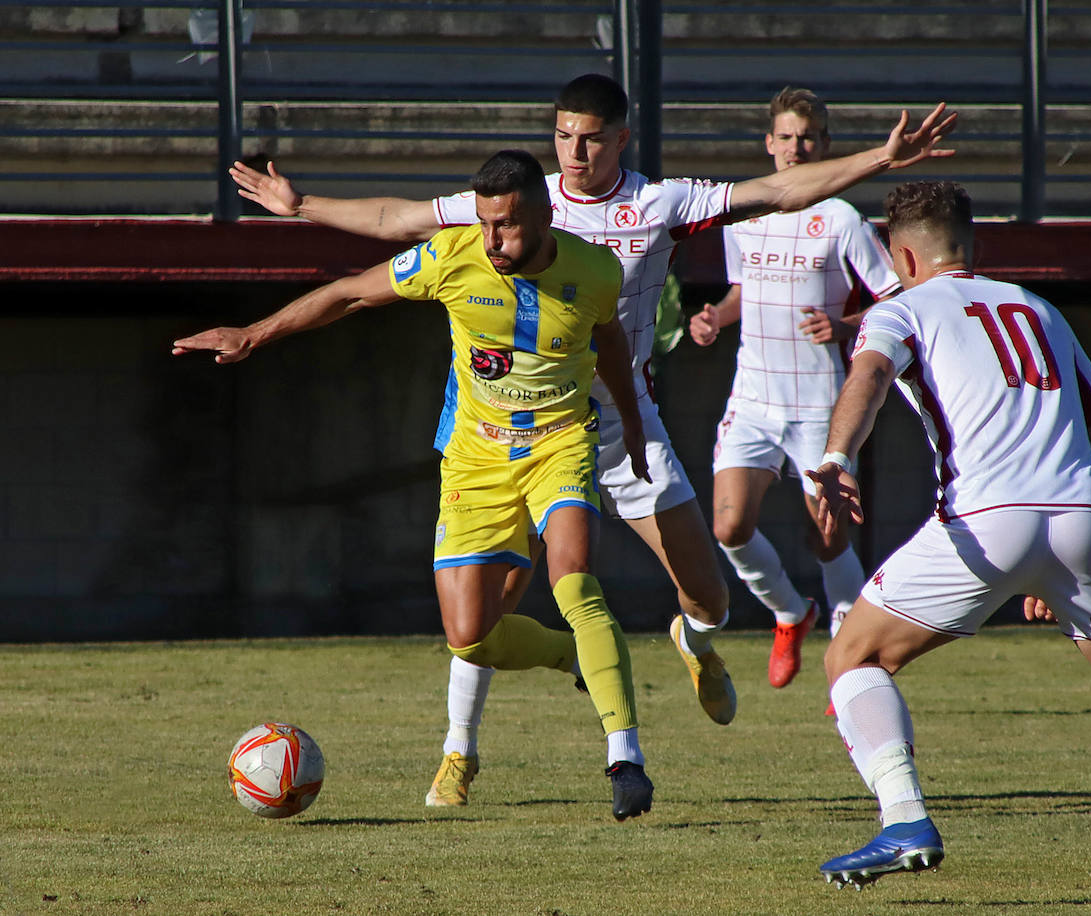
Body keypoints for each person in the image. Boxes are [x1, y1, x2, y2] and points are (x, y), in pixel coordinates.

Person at [228, 74, 956, 804]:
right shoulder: (519, 204)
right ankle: (458, 753)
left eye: (591, 138)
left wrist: (878, 160)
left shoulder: (657, 204)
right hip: (527, 430)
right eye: (563, 136)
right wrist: (302, 205)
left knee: (709, 599)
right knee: (492, 603)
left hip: (624, 426)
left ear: (621, 138)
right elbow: (399, 218)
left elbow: (774, 193)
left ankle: (692, 642)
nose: (575, 151)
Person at [805, 181, 1091, 903]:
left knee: (852, 655)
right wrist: (1061, 565)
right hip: (1084, 515)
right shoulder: (1041, 309)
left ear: (903, 257)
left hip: (988, 519)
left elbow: (868, 373)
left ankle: (905, 821)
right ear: (971, 246)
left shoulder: (902, 308)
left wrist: (834, 459)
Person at [174, 149, 658, 822]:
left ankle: (624, 759)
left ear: (546, 216)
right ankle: (567, 654)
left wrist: (633, 425)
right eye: (486, 223)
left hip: (559, 445)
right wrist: (255, 333)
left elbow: (611, 346)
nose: (494, 241)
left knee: (574, 580)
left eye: (509, 227)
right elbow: (348, 293)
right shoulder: (452, 257)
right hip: (475, 460)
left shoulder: (597, 270)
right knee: (471, 638)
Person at [689, 87, 898, 688]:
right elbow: (740, 292)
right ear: (769, 144)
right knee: (729, 527)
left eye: (807, 138)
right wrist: (714, 318)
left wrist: (843, 325)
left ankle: (853, 666)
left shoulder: (842, 220)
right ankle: (789, 612)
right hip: (752, 400)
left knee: (828, 536)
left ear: (825, 146)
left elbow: (897, 297)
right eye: (785, 137)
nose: (795, 148)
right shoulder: (747, 213)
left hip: (819, 404)